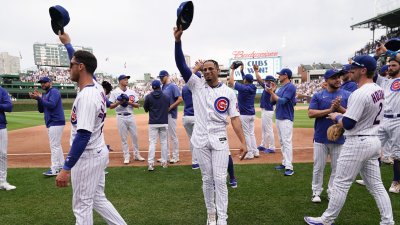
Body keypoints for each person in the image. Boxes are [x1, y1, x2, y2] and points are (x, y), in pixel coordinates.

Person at [304, 55, 394, 225]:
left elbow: (349, 124)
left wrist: (337, 116)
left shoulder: (359, 93)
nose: (349, 71)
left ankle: (326, 220)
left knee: (340, 183)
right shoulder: (378, 89)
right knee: (377, 186)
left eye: (353, 68)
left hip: (357, 142)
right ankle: (387, 221)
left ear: (363, 70)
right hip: (373, 141)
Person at [174, 26, 247, 225]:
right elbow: (181, 66)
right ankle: (211, 215)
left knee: (220, 179)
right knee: (207, 179)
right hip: (199, 138)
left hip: (219, 138)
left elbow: (234, 119)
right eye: (204, 69)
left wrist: (243, 142)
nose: (206, 71)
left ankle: (222, 218)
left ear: (217, 71)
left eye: (210, 69)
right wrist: (178, 41)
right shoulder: (196, 85)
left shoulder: (229, 93)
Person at [55, 35, 127, 225]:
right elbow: (81, 63)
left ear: (80, 67)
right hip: (98, 152)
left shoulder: (87, 96)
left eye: (71, 65)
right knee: (97, 199)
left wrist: (66, 168)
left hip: (87, 157)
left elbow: (83, 135)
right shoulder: (96, 86)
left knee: (82, 205)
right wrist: (67, 44)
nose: (68, 69)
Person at [307, 69, 350, 203]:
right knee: (318, 166)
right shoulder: (318, 95)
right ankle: (316, 192)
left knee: (337, 168)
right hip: (320, 137)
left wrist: (340, 109)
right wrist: (330, 110)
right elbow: (311, 113)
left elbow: (354, 114)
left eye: (339, 77)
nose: (338, 79)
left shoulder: (348, 95)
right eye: (333, 77)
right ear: (326, 80)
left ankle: (332, 191)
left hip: (340, 138)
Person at [374, 44, 400, 194]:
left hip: (398, 120)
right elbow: (371, 71)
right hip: (384, 119)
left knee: (397, 154)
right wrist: (377, 56)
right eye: (389, 65)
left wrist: (387, 52)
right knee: (375, 149)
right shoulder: (384, 81)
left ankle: (396, 181)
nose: (390, 67)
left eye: (393, 65)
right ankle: (372, 179)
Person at [29, 77, 65, 176]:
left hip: (56, 121)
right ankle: (62, 165)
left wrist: (40, 98)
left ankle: (55, 169)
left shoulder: (54, 92)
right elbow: (41, 110)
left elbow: (52, 105)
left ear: (50, 83)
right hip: (51, 122)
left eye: (44, 82)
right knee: (57, 145)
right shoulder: (46, 94)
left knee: (54, 145)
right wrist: (38, 99)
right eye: (41, 83)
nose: (43, 84)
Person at [265, 68, 297, 176]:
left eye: (280, 74)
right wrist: (273, 91)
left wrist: (272, 92)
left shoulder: (291, 87)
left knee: (287, 142)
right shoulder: (282, 88)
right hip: (279, 117)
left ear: (286, 75)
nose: (279, 76)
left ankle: (289, 167)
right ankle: (284, 163)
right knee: (283, 142)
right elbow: (272, 101)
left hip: (286, 118)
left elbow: (283, 101)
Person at [109, 75, 145, 164]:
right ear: (120, 81)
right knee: (123, 138)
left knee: (135, 136)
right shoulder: (114, 92)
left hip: (131, 116)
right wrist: (119, 102)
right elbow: (110, 106)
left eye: (127, 79)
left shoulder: (132, 92)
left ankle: (137, 155)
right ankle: (126, 156)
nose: (126, 80)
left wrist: (127, 102)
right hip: (120, 116)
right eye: (124, 79)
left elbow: (137, 105)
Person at [228, 64, 257, 159]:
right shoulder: (253, 87)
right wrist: (241, 71)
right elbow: (246, 78)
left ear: (245, 81)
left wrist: (232, 70)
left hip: (245, 114)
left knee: (246, 134)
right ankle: (255, 151)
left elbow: (231, 82)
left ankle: (249, 153)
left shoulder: (244, 88)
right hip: (252, 114)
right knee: (251, 133)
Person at [143, 80, 170, 171]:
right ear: (160, 86)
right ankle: (164, 162)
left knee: (152, 143)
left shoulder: (148, 97)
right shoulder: (166, 96)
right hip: (164, 121)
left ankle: (150, 164)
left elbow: (146, 109)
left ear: (152, 87)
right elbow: (168, 107)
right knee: (164, 142)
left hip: (153, 123)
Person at [158, 70, 183, 163]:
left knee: (173, 136)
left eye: (162, 77)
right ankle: (166, 156)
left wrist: (170, 107)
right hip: (163, 115)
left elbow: (180, 99)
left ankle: (176, 156)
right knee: (164, 136)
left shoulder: (173, 86)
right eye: (160, 77)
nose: (161, 78)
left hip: (171, 114)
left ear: (167, 76)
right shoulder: (161, 87)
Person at [254, 66, 276, 153]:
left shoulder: (268, 86)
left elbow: (259, 80)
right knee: (264, 128)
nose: (265, 81)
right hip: (265, 110)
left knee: (268, 129)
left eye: (266, 80)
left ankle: (272, 147)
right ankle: (263, 145)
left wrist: (256, 71)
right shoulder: (269, 87)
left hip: (268, 110)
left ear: (269, 81)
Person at [378, 64, 394, 165]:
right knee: (378, 143)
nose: (389, 70)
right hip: (383, 114)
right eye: (388, 69)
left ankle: (387, 156)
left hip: (394, 115)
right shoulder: (382, 81)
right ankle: (385, 156)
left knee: (390, 141)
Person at [0, 87, 15, 191]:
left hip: (0, 126)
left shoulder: (2, 91)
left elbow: (9, 106)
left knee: (2, 154)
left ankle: (2, 181)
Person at [182, 79, 199, 169]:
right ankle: (195, 162)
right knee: (197, 140)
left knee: (192, 140)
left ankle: (195, 160)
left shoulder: (184, 88)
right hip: (196, 117)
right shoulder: (198, 87)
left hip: (186, 117)